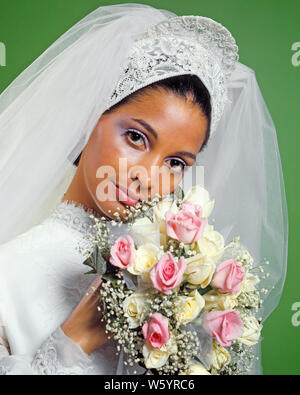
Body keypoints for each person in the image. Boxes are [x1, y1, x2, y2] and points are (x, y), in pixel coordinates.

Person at [0, 3, 288, 375]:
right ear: (90, 116)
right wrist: (74, 341)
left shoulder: (183, 283)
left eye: (175, 163)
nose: (148, 177)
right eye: (136, 137)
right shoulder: (9, 272)